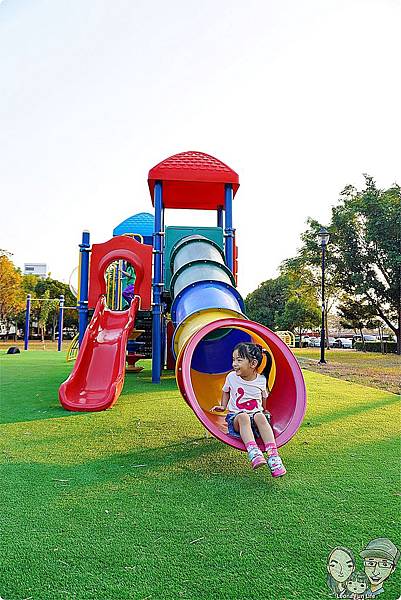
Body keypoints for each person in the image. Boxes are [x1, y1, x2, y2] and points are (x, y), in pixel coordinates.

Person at [212, 342, 286, 476]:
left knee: (260, 416)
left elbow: (264, 398)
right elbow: (226, 391)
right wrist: (223, 406)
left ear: (252, 364)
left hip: (255, 418)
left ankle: (273, 456)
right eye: (233, 360)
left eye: (239, 360)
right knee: (244, 416)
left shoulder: (262, 380)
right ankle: (254, 451)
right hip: (237, 419)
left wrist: (264, 409)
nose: (234, 364)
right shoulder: (231, 377)